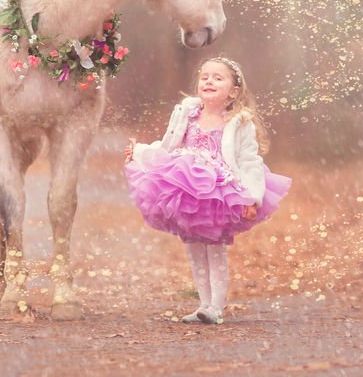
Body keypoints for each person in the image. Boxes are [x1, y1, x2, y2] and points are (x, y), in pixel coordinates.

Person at [123, 56, 292, 324]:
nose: (209, 81)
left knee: (214, 247)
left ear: (233, 91)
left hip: (219, 193)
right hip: (185, 189)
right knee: (193, 248)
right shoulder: (186, 113)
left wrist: (253, 196)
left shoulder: (239, 122)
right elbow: (168, 146)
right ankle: (203, 304)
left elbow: (249, 161)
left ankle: (216, 307)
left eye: (218, 77)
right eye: (205, 77)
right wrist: (141, 153)